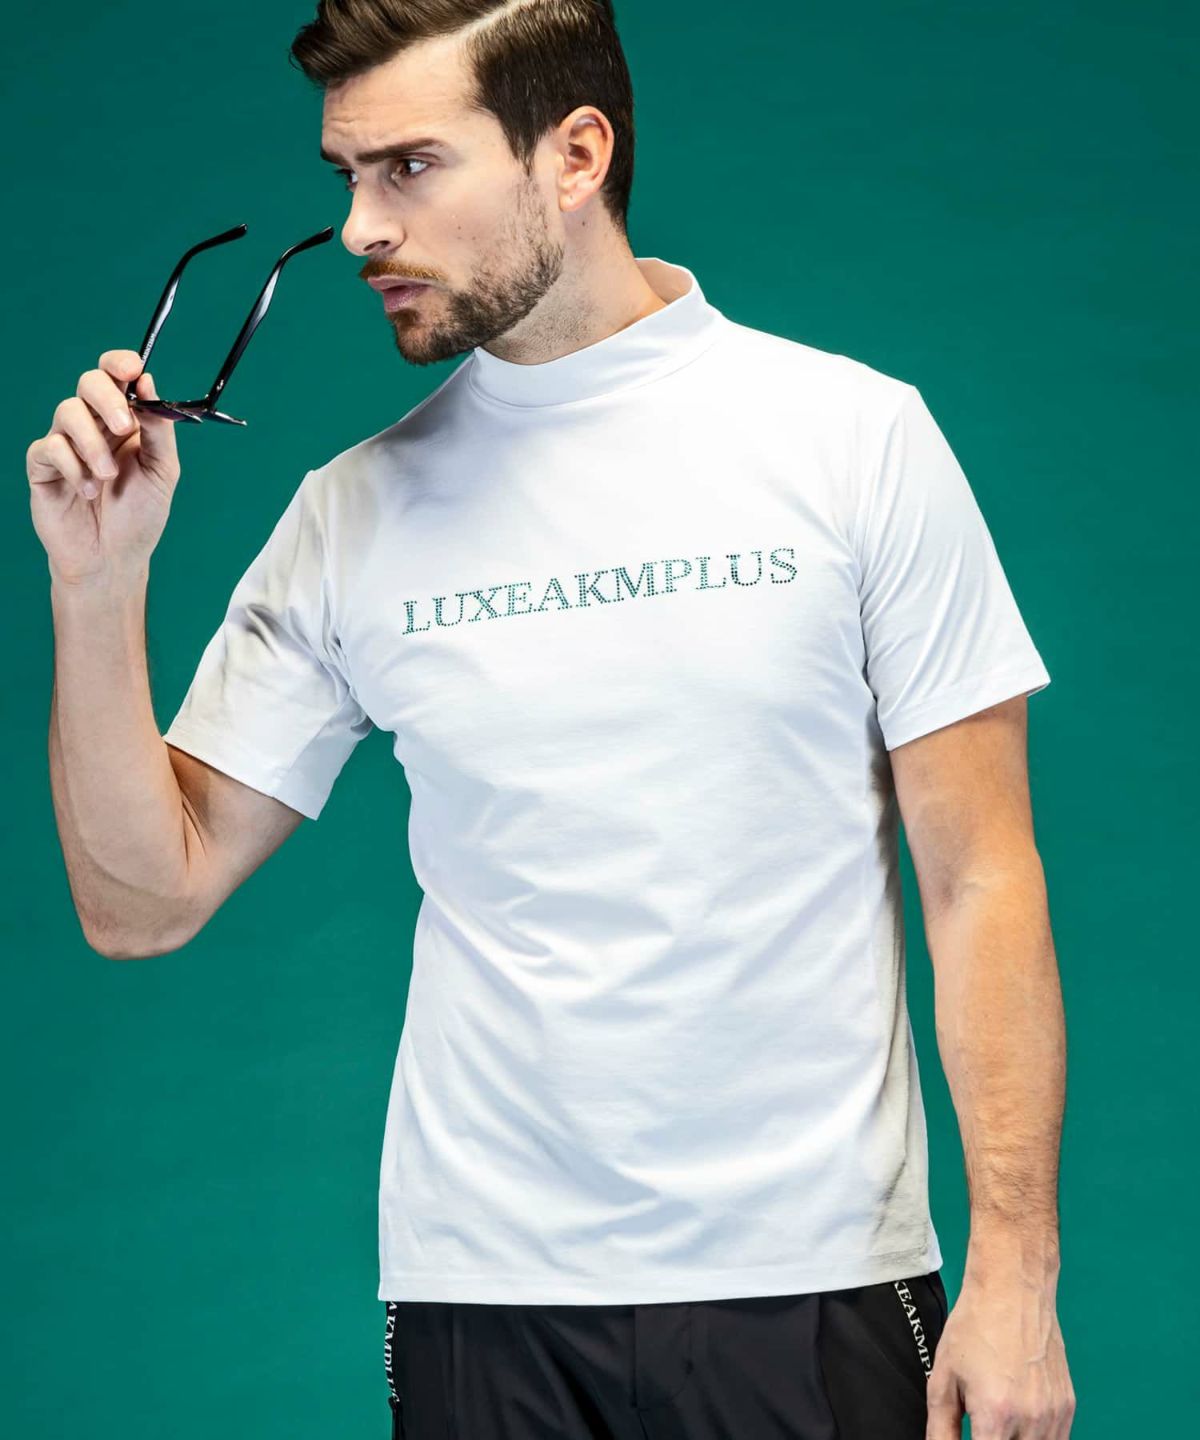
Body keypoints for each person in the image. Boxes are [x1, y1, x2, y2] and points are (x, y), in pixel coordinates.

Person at [30, 2, 1076, 1437]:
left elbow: (982, 878)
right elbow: (139, 903)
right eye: (347, 177)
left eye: (409, 167)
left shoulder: (853, 440)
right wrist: (96, 584)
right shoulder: (349, 512)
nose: (359, 229)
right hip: (480, 1300)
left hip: (810, 1280)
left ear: (575, 155)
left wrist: (1017, 1272)